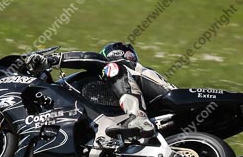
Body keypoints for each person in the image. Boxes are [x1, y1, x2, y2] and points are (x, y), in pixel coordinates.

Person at [23, 42, 176, 139]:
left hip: (166, 103)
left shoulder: (119, 66)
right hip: (163, 115)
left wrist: (53, 59)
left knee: (112, 68)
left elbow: (93, 60)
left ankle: (138, 117)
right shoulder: (135, 75)